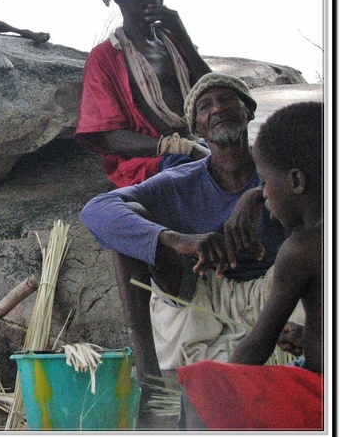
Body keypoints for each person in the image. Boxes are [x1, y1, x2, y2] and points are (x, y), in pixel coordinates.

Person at [79, 73, 292, 419]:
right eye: (205, 106)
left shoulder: (284, 168)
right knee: (131, 223)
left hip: (276, 288)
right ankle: (147, 374)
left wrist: (259, 194)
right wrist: (179, 240)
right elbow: (96, 210)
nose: (218, 109)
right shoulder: (182, 179)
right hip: (202, 292)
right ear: (197, 129)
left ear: (249, 112)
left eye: (227, 100)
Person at [177, 101, 323, 430]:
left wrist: (225, 386)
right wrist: (312, 335)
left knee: (203, 389)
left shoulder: (301, 248)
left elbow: (259, 344)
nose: (265, 196)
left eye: (266, 184)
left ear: (297, 181)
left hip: (327, 397)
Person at [75, 0, 212, 187]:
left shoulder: (176, 44)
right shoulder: (104, 57)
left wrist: (184, 38)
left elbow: (217, 94)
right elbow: (113, 137)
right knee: (197, 175)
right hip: (149, 161)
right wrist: (181, 147)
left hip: (198, 143)